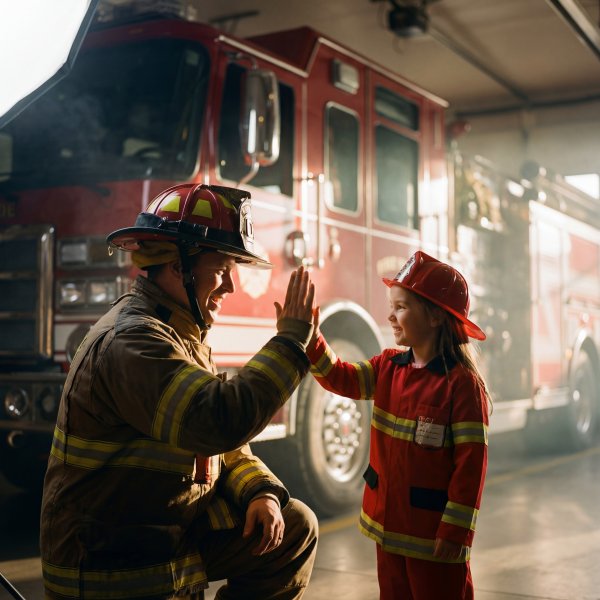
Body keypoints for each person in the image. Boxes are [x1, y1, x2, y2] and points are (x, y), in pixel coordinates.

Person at [40, 183, 318, 600]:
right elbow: (215, 422)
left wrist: (261, 491)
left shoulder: (178, 334)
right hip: (109, 564)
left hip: (153, 529)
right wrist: (290, 346)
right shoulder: (133, 343)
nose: (229, 288)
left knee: (292, 527)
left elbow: (224, 451)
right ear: (177, 265)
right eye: (222, 270)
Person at [307, 250, 490, 600]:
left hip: (434, 539)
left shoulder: (462, 385)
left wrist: (456, 532)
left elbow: (471, 467)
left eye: (402, 307)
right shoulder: (388, 367)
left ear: (436, 316)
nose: (390, 315)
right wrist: (312, 340)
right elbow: (340, 378)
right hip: (388, 532)